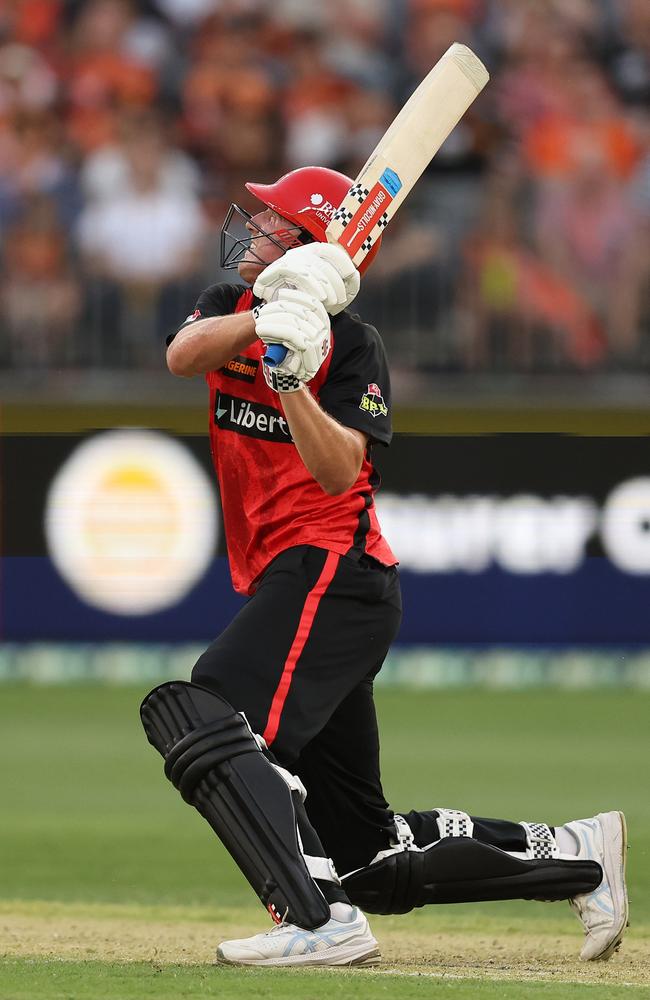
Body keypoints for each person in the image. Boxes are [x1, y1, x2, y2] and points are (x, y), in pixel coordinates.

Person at [140, 165, 628, 968]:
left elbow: (340, 472)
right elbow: (183, 356)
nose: (251, 226)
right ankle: (580, 855)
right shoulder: (232, 305)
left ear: (306, 240)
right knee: (369, 856)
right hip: (299, 578)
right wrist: (267, 320)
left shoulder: (356, 345)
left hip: (335, 568)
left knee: (207, 708)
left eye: (270, 219)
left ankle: (312, 918)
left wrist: (293, 378)